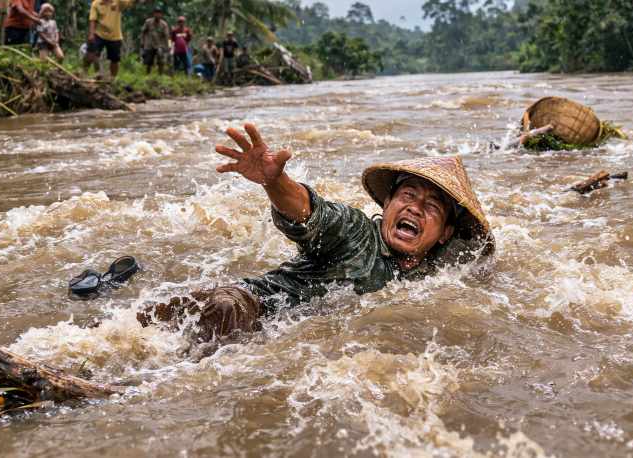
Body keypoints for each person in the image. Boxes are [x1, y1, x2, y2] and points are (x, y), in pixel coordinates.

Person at [137, 124, 495, 343]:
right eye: (407, 195)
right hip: (240, 307)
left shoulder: (436, 275)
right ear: (387, 204)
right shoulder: (356, 232)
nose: (415, 208)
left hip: (267, 334)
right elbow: (310, 213)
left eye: (432, 207)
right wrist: (275, 182)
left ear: (445, 233)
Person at [83, 0, 136, 80]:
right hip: (99, 33)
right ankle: (84, 72)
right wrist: (91, 34)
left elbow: (130, 2)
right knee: (90, 53)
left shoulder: (118, 2)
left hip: (115, 36)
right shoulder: (96, 3)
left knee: (114, 59)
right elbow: (92, 20)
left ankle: (113, 78)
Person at [140, 5, 170, 75]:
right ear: (153, 14)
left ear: (161, 14)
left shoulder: (164, 24)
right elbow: (143, 32)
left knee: (160, 58)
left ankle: (160, 75)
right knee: (148, 61)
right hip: (149, 45)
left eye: (159, 13)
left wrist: (168, 46)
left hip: (159, 45)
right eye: (156, 13)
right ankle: (147, 75)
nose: (157, 15)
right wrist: (142, 42)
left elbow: (167, 36)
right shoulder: (148, 22)